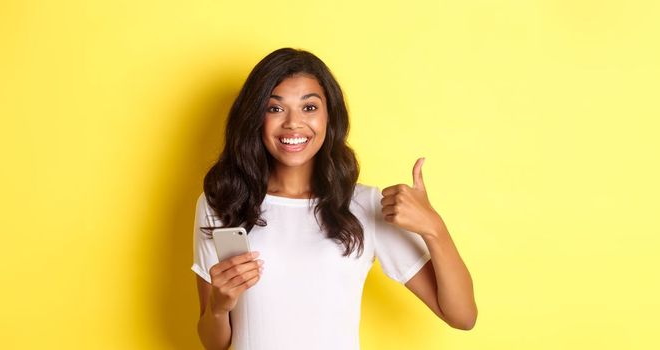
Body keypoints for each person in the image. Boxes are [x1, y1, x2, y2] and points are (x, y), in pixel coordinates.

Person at [191, 48, 477, 350]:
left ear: (330, 116)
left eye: (309, 107)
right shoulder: (221, 202)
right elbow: (214, 345)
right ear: (254, 118)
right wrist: (219, 308)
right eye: (275, 109)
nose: (293, 123)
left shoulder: (365, 205)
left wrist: (434, 228)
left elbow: (462, 316)